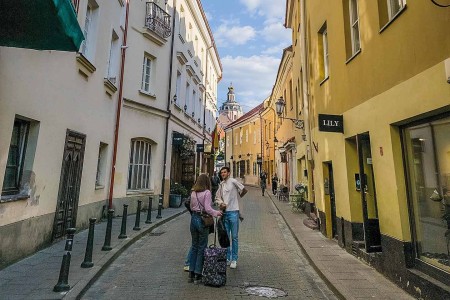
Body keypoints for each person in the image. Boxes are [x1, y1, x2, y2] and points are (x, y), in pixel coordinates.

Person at [188, 174, 222, 284]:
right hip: (202, 220)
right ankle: (198, 274)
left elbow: (191, 206)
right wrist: (217, 213)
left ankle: (191, 273)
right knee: (202, 247)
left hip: (193, 219)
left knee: (194, 246)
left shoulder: (193, 192)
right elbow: (207, 208)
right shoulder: (207, 193)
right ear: (207, 182)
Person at [215, 166, 247, 269]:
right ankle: (227, 257)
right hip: (225, 213)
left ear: (229, 173)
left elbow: (243, 189)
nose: (223, 174)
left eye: (224, 172)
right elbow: (217, 198)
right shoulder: (222, 184)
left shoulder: (233, 181)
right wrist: (221, 203)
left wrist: (236, 198)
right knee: (226, 237)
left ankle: (234, 259)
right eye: (222, 173)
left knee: (234, 237)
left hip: (233, 212)